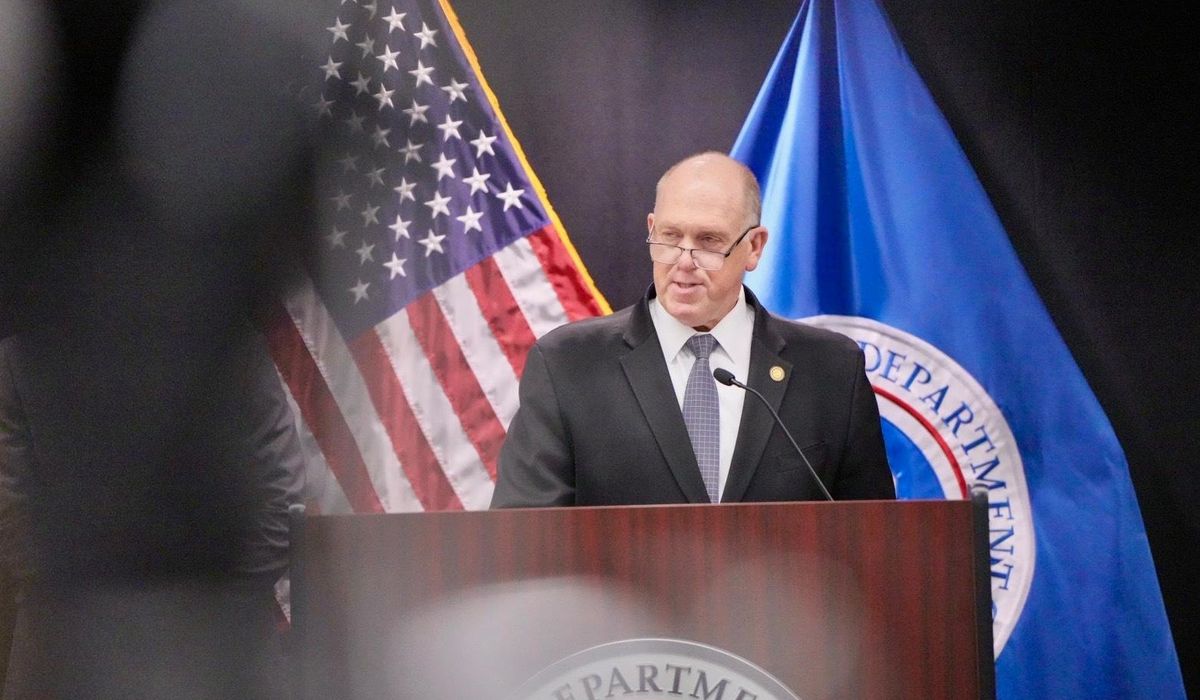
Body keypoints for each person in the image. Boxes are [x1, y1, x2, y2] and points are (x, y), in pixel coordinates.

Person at [491, 152, 894, 507]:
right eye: (670, 237)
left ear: (754, 247)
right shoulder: (568, 365)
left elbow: (873, 536)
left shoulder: (831, 370)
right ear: (651, 228)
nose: (683, 262)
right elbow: (524, 536)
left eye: (708, 241)